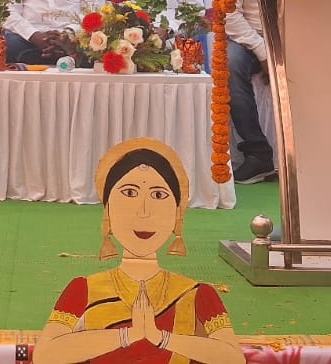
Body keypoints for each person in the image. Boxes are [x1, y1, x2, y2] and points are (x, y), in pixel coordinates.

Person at [33, 139, 243, 364]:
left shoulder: (198, 294)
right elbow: (44, 355)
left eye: (158, 195)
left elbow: (233, 358)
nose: (144, 212)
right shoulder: (84, 290)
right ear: (108, 211)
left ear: (177, 214)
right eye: (130, 192)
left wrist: (160, 338)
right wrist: (128, 335)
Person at [224, 0, 276, 185]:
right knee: (230, 63)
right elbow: (230, 14)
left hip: (296, 33)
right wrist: (264, 53)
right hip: (252, 34)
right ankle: (257, 154)